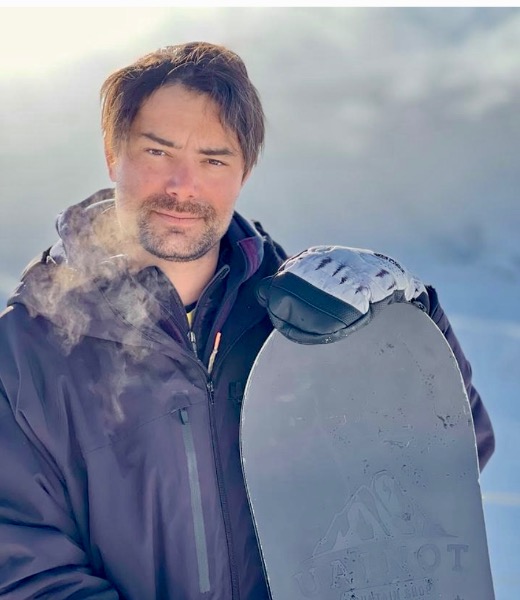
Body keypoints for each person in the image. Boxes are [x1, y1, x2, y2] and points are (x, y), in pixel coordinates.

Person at [0, 42, 494, 599]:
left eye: (213, 160)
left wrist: (404, 328)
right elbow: (21, 565)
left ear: (244, 172)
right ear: (114, 155)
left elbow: (443, 463)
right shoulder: (27, 350)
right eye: (158, 151)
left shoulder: (305, 324)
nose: (182, 186)